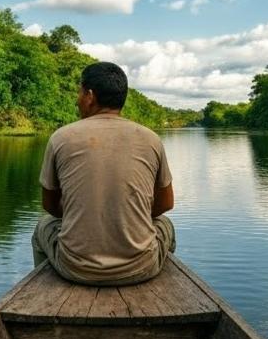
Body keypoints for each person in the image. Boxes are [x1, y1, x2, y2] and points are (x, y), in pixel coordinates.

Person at [32, 62, 176, 286]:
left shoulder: (61, 138)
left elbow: (50, 206)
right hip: (142, 268)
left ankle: (43, 292)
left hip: (75, 268)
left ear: (90, 95)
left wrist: (81, 212)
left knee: (43, 225)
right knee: (166, 225)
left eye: (79, 92)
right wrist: (128, 216)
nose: (77, 99)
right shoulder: (150, 138)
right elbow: (166, 203)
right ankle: (163, 291)